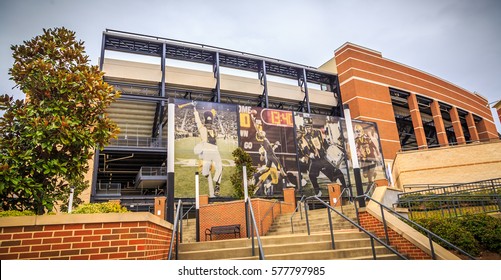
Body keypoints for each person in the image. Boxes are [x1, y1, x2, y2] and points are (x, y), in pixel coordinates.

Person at [299, 116, 346, 197]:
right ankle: (318, 192)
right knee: (311, 175)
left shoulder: (318, 132)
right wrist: (312, 154)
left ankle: (345, 187)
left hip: (323, 158)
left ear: (311, 125)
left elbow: (324, 142)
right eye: (306, 126)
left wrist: (332, 150)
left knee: (336, 171)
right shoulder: (304, 137)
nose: (308, 128)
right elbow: (306, 149)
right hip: (315, 161)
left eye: (309, 126)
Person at [249, 110, 289, 195]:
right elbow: (256, 127)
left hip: (271, 162)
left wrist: (276, 145)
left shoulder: (266, 142)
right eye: (261, 133)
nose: (262, 132)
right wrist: (252, 117)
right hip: (271, 158)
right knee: (278, 168)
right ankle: (287, 181)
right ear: (260, 136)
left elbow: (271, 148)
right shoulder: (262, 140)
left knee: (274, 179)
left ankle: (263, 182)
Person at [191, 101, 223, 197]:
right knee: (205, 172)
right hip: (207, 151)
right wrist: (195, 109)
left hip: (215, 150)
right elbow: (197, 120)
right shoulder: (202, 129)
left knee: (220, 167)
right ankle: (205, 172)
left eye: (210, 122)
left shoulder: (214, 130)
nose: (209, 124)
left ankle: (217, 185)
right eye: (208, 122)